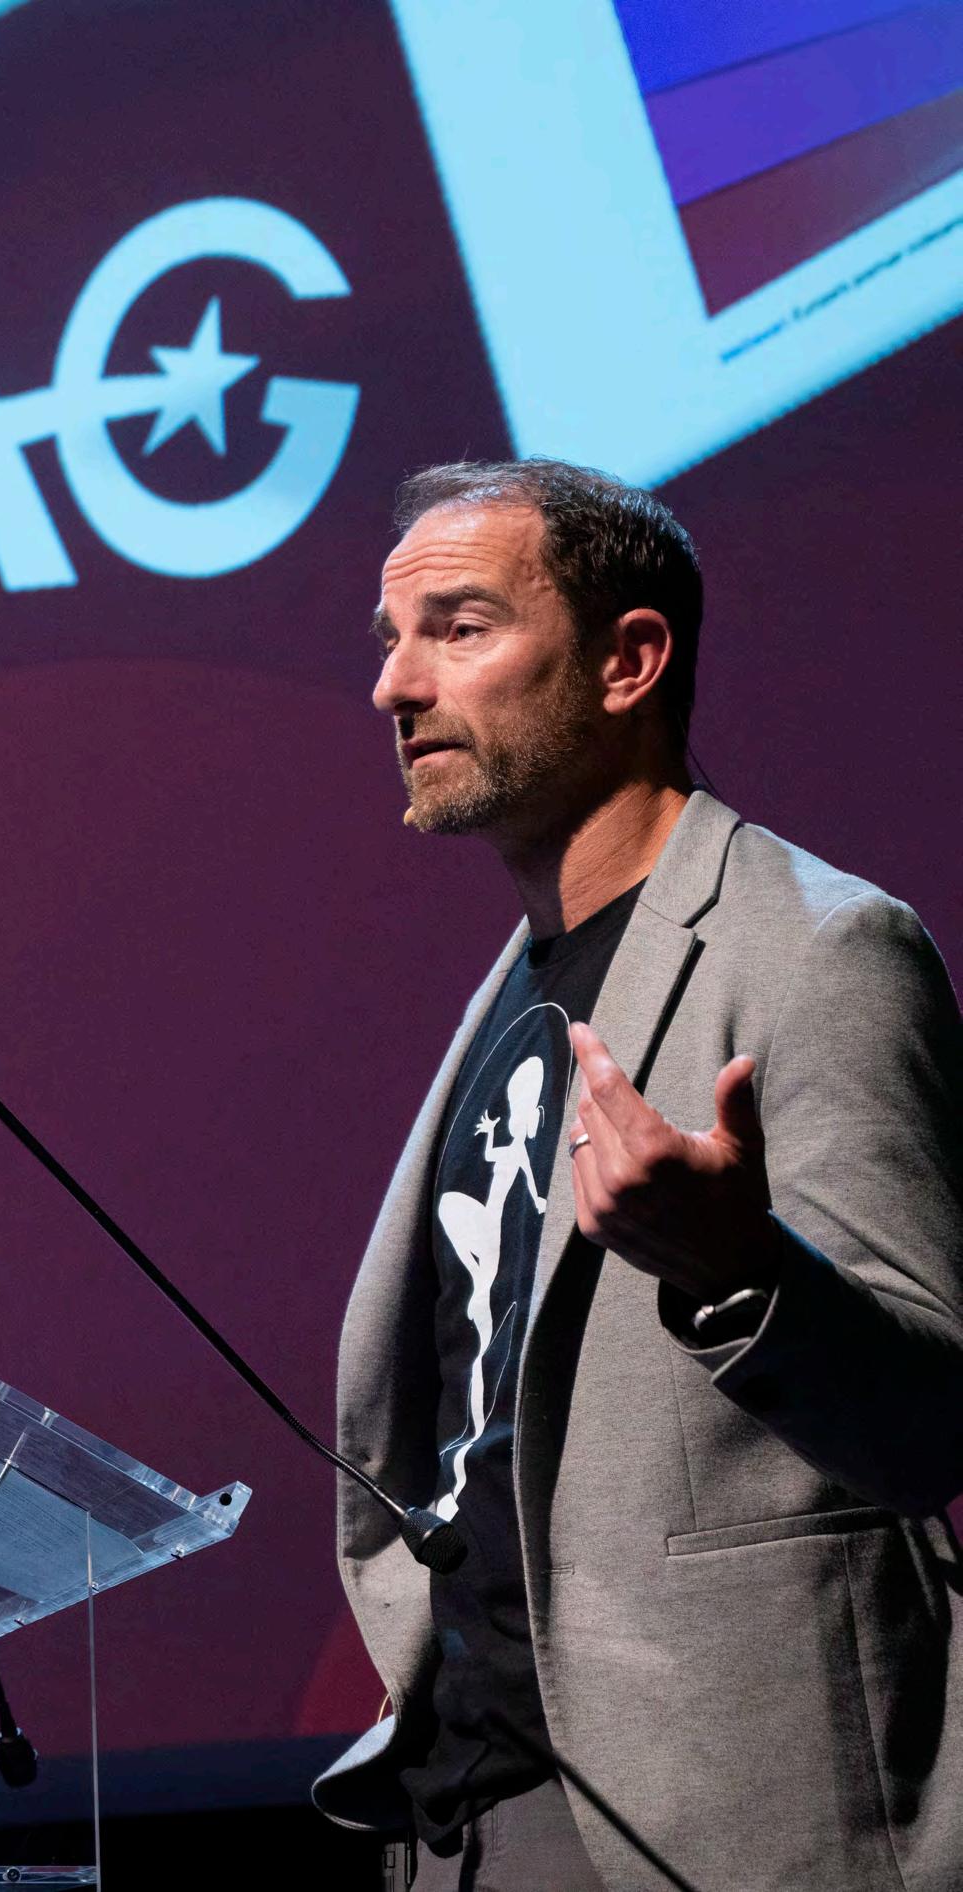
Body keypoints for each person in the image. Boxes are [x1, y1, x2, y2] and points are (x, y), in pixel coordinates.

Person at [312, 459, 963, 1891]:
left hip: (710, 1813)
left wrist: (740, 1272)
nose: (396, 685)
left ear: (630, 661)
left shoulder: (822, 952)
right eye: (392, 639)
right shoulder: (510, 995)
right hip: (461, 1819)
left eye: (459, 628)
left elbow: (934, 1426)